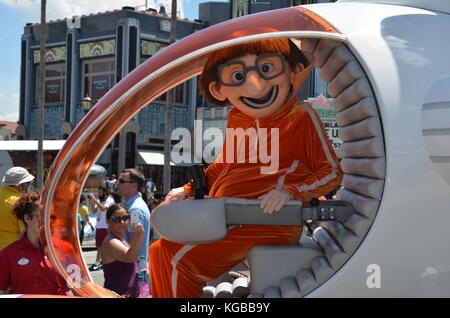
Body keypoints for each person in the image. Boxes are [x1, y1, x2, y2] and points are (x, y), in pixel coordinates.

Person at [149, 38, 343, 297]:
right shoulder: (238, 118)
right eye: (238, 75)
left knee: (175, 259)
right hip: (229, 219)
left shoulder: (299, 116)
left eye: (266, 69)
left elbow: (331, 172)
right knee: (158, 250)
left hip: (265, 221)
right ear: (218, 90)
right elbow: (225, 165)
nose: (255, 84)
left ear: (293, 70)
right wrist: (187, 188)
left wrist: (291, 192)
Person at [0, 192, 70, 295]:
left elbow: (80, 287)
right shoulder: (8, 254)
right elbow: (1, 291)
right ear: (27, 218)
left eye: (51, 217)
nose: (48, 222)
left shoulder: (65, 249)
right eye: (42, 216)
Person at [102, 204, 144, 298]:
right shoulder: (111, 242)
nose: (122, 222)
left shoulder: (121, 240)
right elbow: (130, 257)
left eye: (125, 218)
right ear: (108, 221)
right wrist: (140, 235)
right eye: (117, 219)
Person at [115, 169, 151, 270]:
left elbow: (134, 245)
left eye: (122, 181)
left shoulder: (135, 210)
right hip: (136, 268)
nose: (117, 183)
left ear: (134, 185)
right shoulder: (133, 206)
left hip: (133, 271)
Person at [0, 167, 35, 251]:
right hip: (13, 249)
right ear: (20, 184)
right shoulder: (20, 202)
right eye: (28, 183)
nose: (28, 185)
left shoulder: (1, 194)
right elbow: (24, 231)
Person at [88, 186, 115, 271]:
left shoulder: (110, 200)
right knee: (100, 245)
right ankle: (103, 262)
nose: (99, 194)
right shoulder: (100, 201)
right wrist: (92, 203)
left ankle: (97, 263)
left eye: (100, 192)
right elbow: (94, 211)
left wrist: (95, 200)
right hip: (99, 226)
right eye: (98, 192)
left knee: (101, 246)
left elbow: (103, 209)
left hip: (106, 227)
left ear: (105, 192)